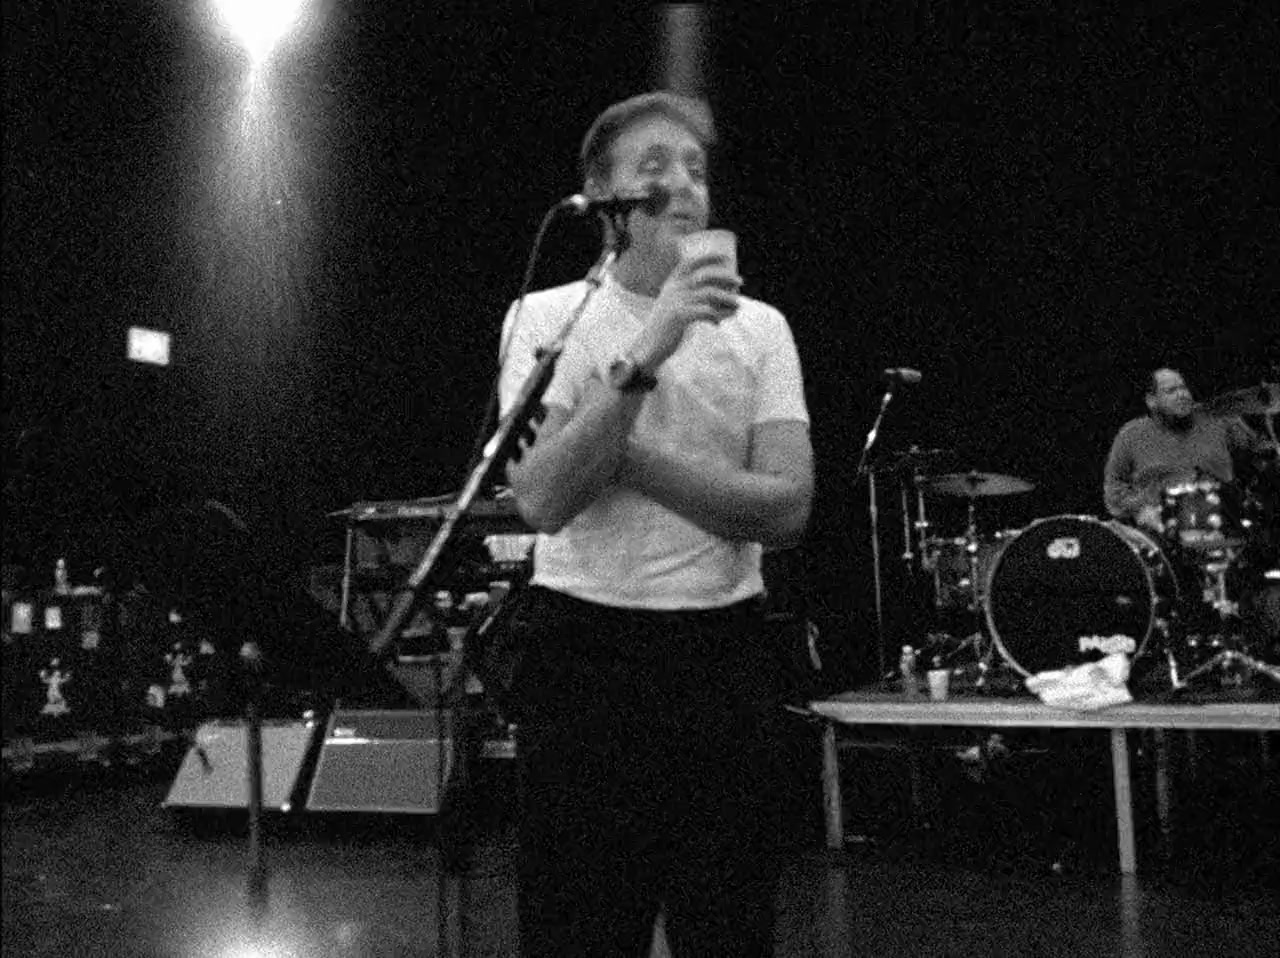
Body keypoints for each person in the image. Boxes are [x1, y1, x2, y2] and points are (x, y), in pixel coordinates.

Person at [496, 91, 814, 957]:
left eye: (697, 170)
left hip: (724, 656)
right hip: (584, 655)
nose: (685, 185)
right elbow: (542, 500)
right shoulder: (544, 318)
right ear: (606, 200)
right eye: (656, 167)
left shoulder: (763, 329)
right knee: (579, 932)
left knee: (729, 928)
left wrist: (620, 455)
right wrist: (654, 341)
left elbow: (787, 507)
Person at [1104, 367, 1274, 535]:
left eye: (1183, 388)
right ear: (1151, 401)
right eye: (1171, 391)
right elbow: (1114, 489)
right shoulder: (1131, 435)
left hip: (1226, 524)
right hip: (1163, 531)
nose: (1182, 395)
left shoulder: (1217, 419)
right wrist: (1140, 509)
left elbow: (1260, 453)